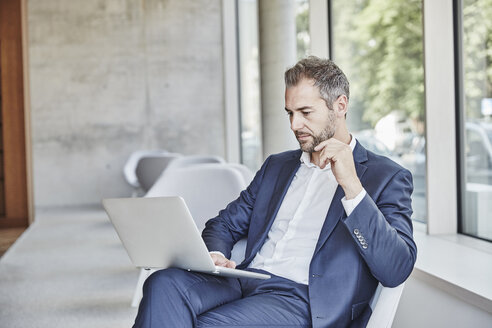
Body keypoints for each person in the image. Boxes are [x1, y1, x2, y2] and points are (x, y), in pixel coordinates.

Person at [133, 56, 417, 328]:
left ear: (340, 105)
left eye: (306, 113)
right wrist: (217, 253)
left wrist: (353, 188)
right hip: (243, 279)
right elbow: (224, 224)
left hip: (304, 299)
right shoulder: (277, 166)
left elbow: (396, 268)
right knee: (162, 283)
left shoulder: (385, 177)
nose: (295, 125)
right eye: (290, 113)